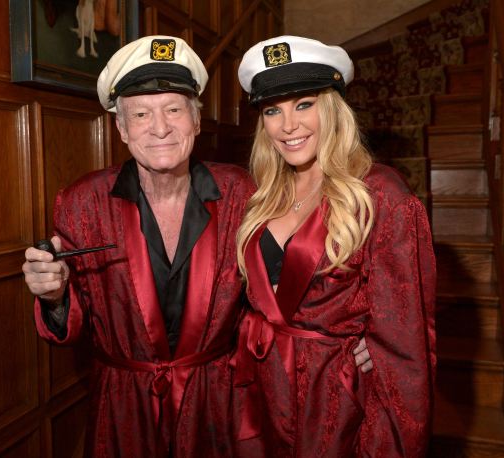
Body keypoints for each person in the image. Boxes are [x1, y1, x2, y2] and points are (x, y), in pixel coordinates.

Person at [22, 34, 373, 457]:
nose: (160, 128)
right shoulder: (83, 202)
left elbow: (289, 283)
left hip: (217, 405)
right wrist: (54, 296)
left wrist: (352, 338)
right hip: (124, 409)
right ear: (121, 128)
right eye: (141, 114)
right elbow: (70, 326)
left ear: (196, 121)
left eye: (174, 110)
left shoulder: (243, 193)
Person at [231, 35, 436, 457]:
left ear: (332, 108)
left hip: (336, 406)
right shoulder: (261, 194)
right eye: (272, 110)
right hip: (261, 396)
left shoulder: (381, 195)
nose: (288, 125)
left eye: (303, 104)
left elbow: (406, 348)